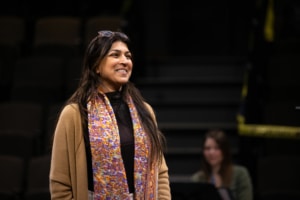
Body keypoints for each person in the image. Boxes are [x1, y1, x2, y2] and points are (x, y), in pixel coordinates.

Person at [49, 30, 171, 200]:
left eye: (128, 56)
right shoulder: (75, 114)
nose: (124, 61)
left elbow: (160, 172)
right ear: (97, 66)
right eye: (115, 55)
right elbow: (60, 182)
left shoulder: (144, 111)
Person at [191, 129, 253, 200]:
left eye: (217, 148)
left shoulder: (240, 174)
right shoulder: (197, 178)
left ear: (225, 151)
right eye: (207, 148)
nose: (211, 153)